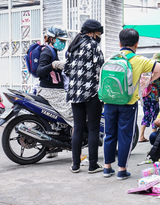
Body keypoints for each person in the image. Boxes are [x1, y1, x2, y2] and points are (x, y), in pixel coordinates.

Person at [103, 28, 160, 180]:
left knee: (109, 134)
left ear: (119, 43)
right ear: (137, 44)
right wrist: (149, 80)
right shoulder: (139, 60)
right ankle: (122, 170)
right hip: (128, 102)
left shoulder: (112, 58)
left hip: (109, 101)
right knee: (125, 136)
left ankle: (107, 168)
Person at [63, 19, 104, 174]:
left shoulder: (73, 46)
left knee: (78, 128)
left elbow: (66, 69)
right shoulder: (93, 46)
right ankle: (93, 165)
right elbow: (101, 67)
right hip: (91, 92)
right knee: (93, 129)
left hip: (74, 93)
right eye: (98, 33)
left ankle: (75, 165)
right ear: (92, 32)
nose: (99, 36)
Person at [36, 26, 74, 127]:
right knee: (74, 115)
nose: (63, 43)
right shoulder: (47, 52)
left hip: (56, 90)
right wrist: (53, 65)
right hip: (51, 91)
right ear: (52, 39)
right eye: (61, 40)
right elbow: (39, 71)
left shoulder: (53, 51)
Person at [138, 53, 160, 143]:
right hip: (153, 96)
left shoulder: (146, 69)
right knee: (155, 115)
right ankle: (154, 137)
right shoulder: (156, 71)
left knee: (146, 114)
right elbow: (157, 84)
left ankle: (141, 136)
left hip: (144, 95)